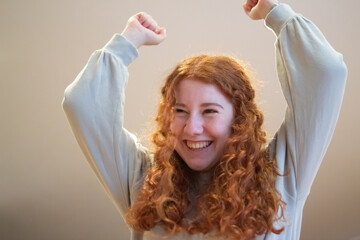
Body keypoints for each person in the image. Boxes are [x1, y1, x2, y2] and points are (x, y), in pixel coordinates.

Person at [62, 0, 347, 239]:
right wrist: (129, 41)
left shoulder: (282, 173)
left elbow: (326, 74)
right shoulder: (143, 179)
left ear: (239, 119)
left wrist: (277, 14)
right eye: (179, 110)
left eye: (210, 111)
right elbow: (82, 105)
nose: (192, 128)